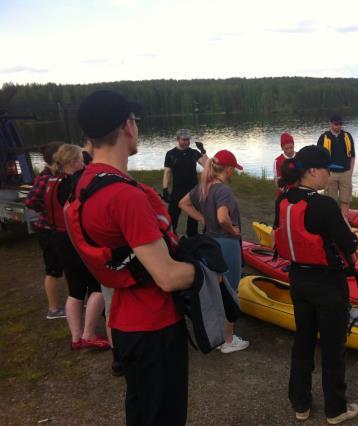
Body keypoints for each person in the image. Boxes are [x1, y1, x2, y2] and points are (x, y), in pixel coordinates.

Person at [68, 90, 196, 425]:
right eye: (136, 121)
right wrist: (208, 271)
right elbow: (167, 277)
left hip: (124, 322)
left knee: (141, 412)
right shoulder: (125, 197)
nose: (137, 127)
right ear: (127, 126)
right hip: (155, 327)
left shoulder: (82, 187)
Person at [273, 145, 358, 424]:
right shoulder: (323, 204)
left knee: (303, 341)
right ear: (312, 171)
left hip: (298, 279)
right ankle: (335, 409)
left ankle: (300, 403)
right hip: (328, 285)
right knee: (333, 348)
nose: (329, 176)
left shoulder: (283, 200)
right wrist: (350, 237)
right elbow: (350, 244)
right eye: (327, 170)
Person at [178, 149, 249, 354]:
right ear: (227, 169)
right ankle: (228, 340)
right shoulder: (223, 190)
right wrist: (231, 230)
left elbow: (183, 203)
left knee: (216, 287)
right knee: (230, 289)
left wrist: (202, 219)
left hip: (210, 243)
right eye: (233, 169)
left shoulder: (204, 186)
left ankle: (217, 333)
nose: (234, 173)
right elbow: (222, 217)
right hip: (227, 243)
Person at [46, 144, 109, 349]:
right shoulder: (73, 182)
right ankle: (88, 335)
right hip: (73, 239)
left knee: (75, 289)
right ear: (73, 162)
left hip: (56, 237)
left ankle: (75, 338)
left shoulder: (51, 180)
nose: (84, 163)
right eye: (81, 159)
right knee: (98, 285)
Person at [25, 141, 66, 319]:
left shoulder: (59, 175)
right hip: (48, 230)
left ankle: (77, 299)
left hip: (59, 229)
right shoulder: (45, 177)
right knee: (53, 270)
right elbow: (30, 200)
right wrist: (48, 210)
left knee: (69, 265)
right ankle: (54, 309)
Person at [163, 129, 207, 237]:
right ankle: (171, 237)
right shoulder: (170, 154)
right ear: (178, 139)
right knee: (172, 216)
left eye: (188, 140)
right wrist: (165, 190)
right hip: (177, 190)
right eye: (184, 140)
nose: (186, 142)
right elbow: (167, 172)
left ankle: (192, 236)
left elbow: (207, 165)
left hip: (193, 190)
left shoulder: (193, 153)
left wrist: (203, 151)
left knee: (193, 217)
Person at [317, 114, 356, 218]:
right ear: (331, 124)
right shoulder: (323, 137)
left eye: (340, 124)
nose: (338, 126)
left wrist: (350, 172)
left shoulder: (347, 136)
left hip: (346, 174)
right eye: (336, 124)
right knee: (330, 201)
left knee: (345, 200)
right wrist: (323, 173)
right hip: (330, 174)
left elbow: (353, 156)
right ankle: (332, 220)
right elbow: (318, 158)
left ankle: (344, 220)